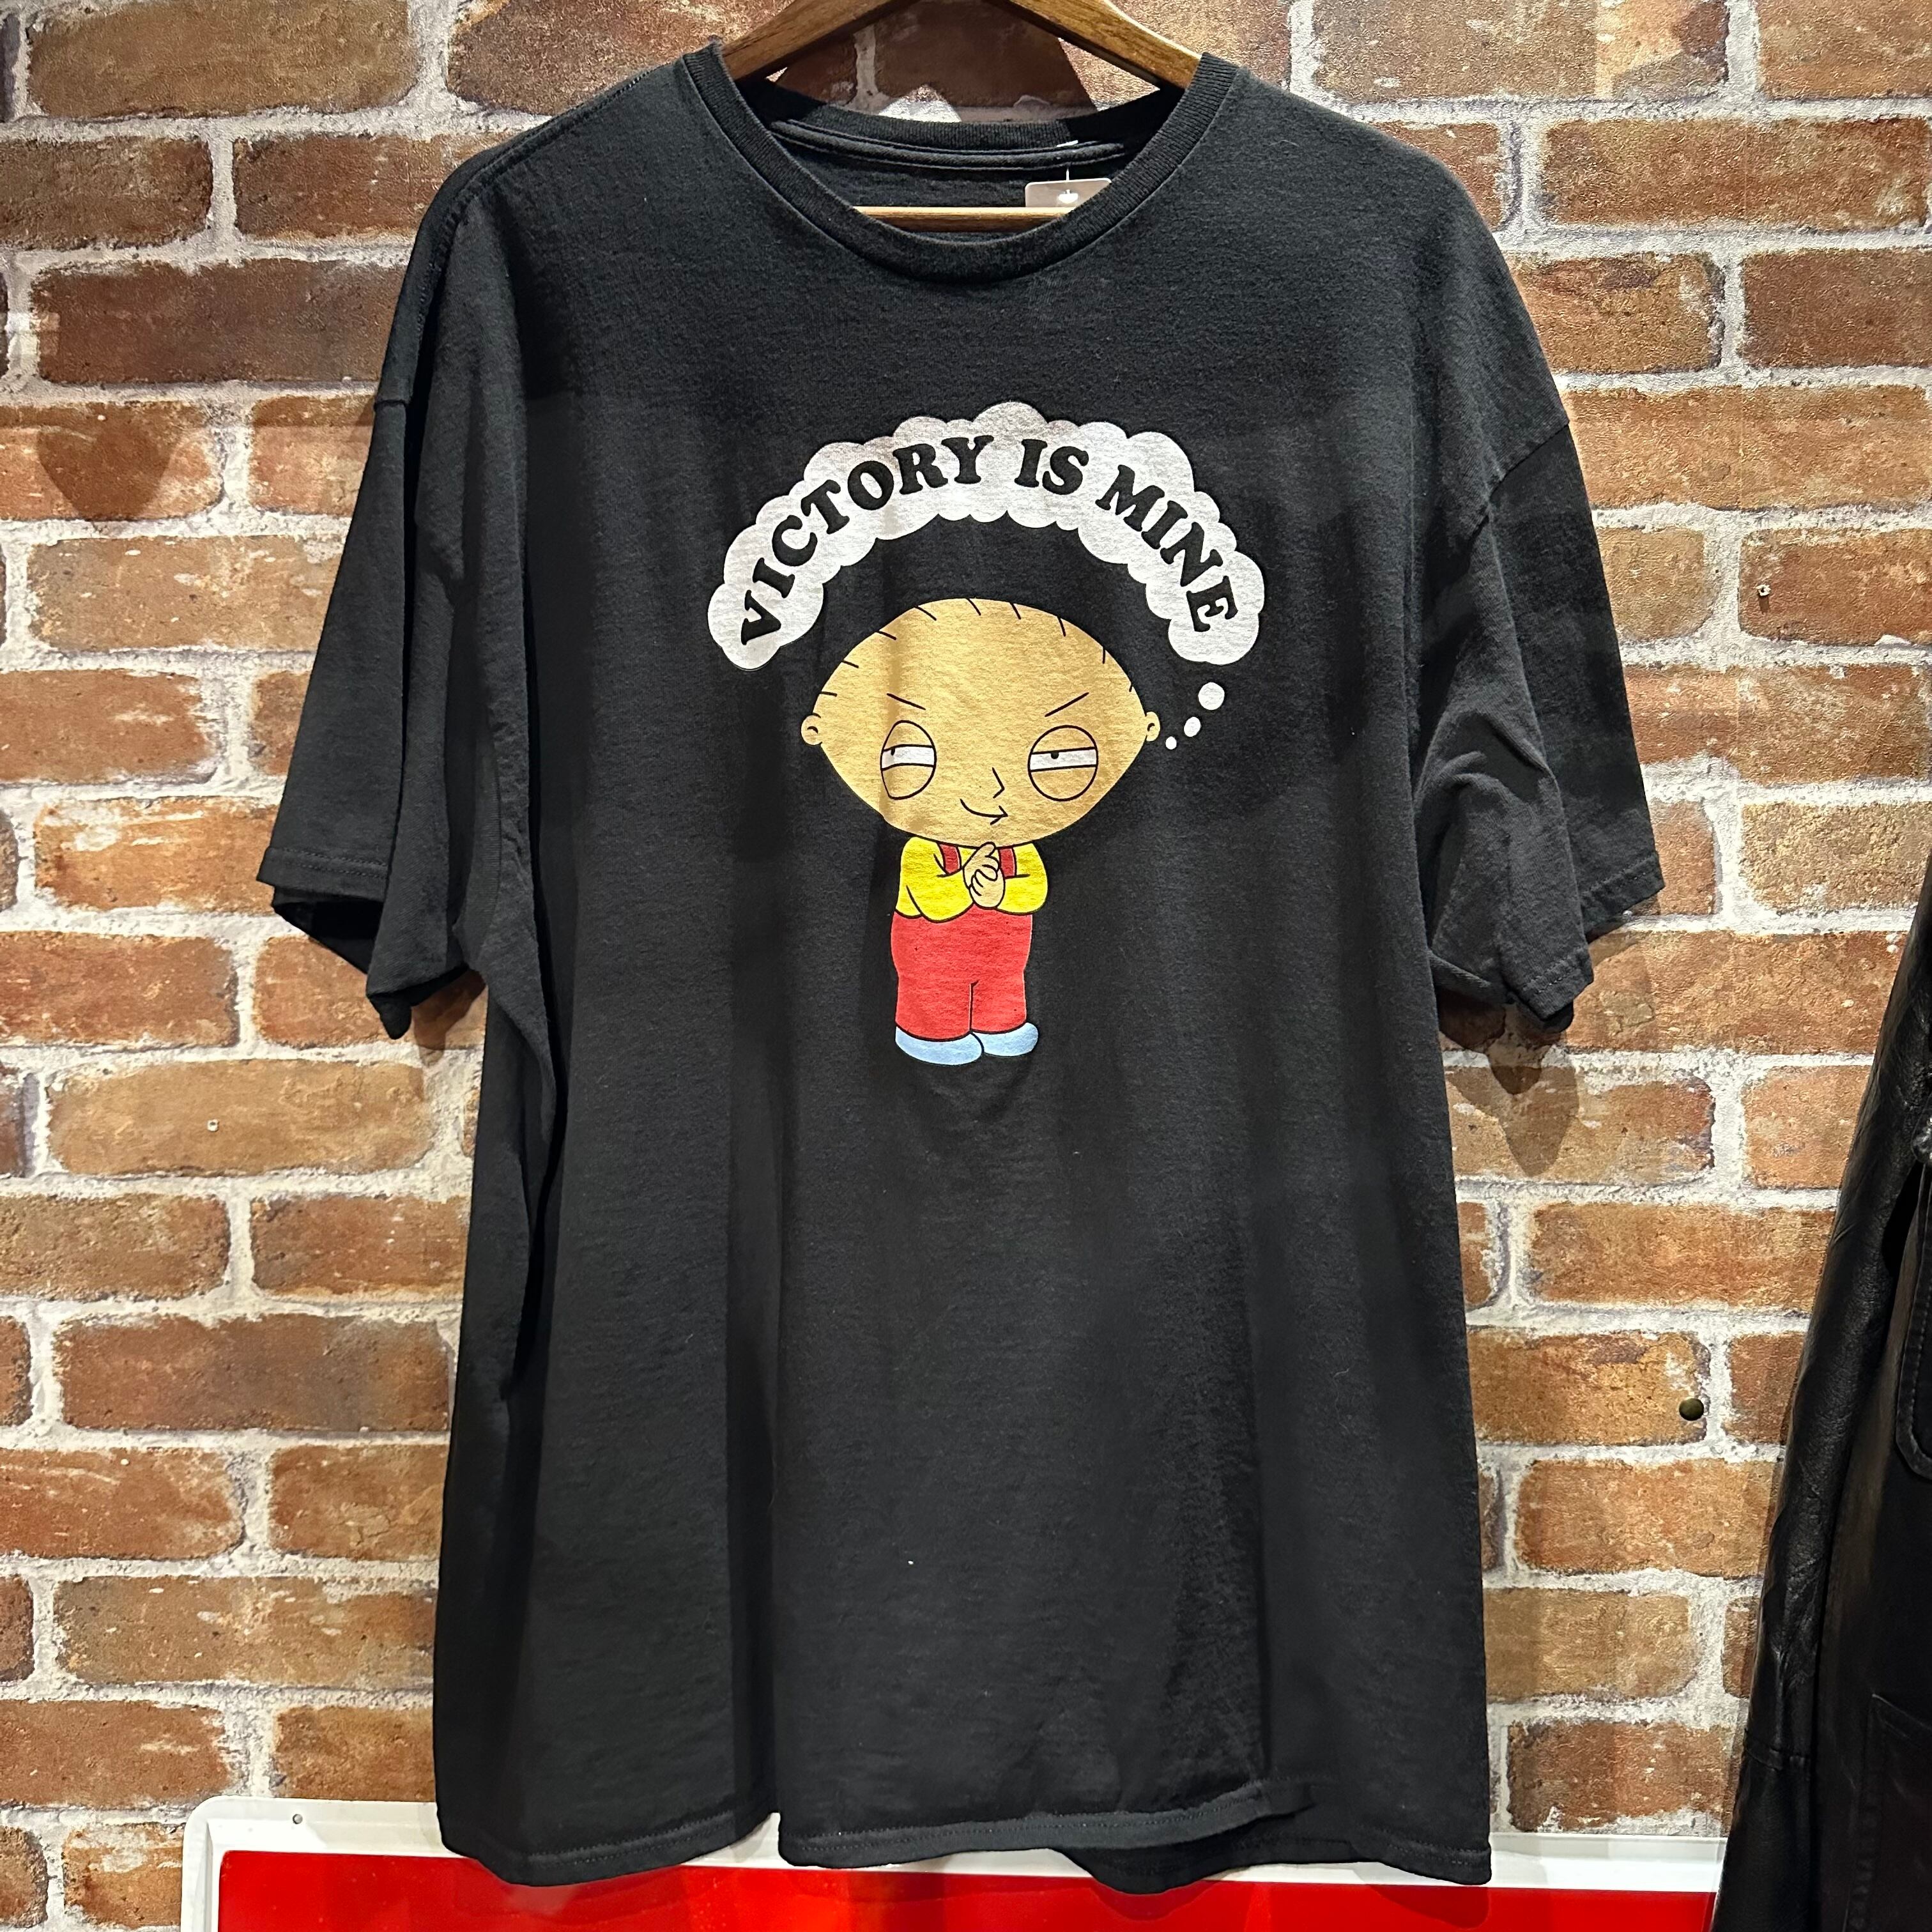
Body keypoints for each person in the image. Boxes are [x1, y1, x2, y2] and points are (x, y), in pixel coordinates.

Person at [800, 596, 1158, 1063]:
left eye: (1055, 756)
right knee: (935, 993)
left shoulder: (1018, 849)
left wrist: (1001, 892)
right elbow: (930, 899)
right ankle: (932, 1034)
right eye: (914, 753)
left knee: (1002, 987)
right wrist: (970, 885)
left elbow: (1034, 889)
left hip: (1003, 956)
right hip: (933, 955)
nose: (990, 790)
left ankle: (1000, 1025)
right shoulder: (923, 850)